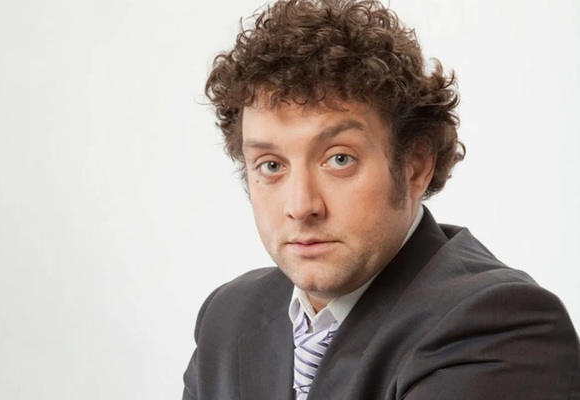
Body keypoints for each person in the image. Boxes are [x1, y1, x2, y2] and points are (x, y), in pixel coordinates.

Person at [182, 0, 580, 398]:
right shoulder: (228, 317)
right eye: (271, 165)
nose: (300, 206)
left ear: (415, 166)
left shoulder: (499, 325)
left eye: (339, 159)